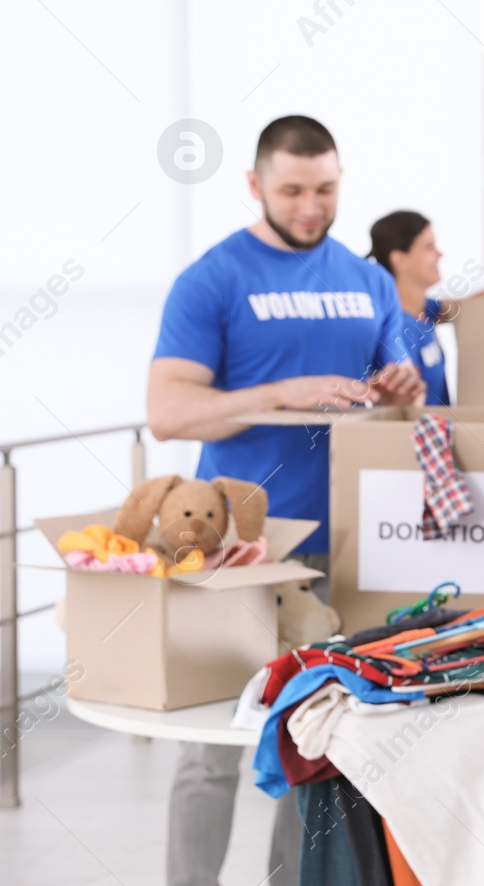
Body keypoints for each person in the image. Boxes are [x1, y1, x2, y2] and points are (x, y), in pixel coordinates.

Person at [146, 115, 425, 886]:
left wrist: (404, 385)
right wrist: (281, 396)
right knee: (210, 750)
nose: (311, 205)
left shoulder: (368, 280)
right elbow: (169, 410)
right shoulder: (213, 279)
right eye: (292, 189)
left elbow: (399, 393)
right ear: (255, 185)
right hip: (239, 549)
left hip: (351, 548)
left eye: (326, 189)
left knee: (317, 746)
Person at [366, 208, 484, 406]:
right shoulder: (397, 330)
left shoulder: (426, 310)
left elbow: (460, 307)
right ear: (400, 259)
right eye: (429, 247)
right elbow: (406, 408)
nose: (440, 254)